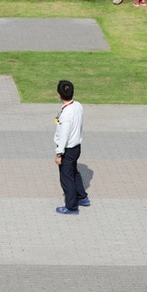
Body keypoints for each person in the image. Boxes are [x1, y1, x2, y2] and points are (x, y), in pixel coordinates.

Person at [53, 79, 88, 215]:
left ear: (58, 95)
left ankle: (71, 206)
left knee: (66, 177)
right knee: (74, 172)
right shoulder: (78, 106)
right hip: (76, 146)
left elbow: (64, 135)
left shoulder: (66, 115)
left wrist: (59, 153)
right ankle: (82, 196)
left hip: (67, 148)